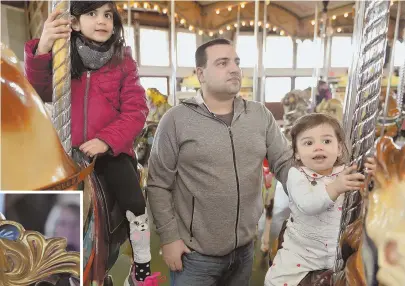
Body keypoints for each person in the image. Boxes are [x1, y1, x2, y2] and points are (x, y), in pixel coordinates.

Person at [24, 2, 157, 285]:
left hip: (110, 151)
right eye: (92, 14)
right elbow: (37, 91)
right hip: (67, 150)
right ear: (73, 23)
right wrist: (44, 47)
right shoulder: (63, 56)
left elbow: (136, 110)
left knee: (134, 200)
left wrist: (106, 141)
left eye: (108, 15)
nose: (102, 21)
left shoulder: (123, 62)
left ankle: (141, 264)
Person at [147, 38, 293, 286]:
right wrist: (170, 238)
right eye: (223, 63)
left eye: (236, 62)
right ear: (201, 74)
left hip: (245, 249)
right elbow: (158, 184)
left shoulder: (259, 115)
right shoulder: (176, 120)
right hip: (195, 255)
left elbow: (285, 163)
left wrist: (319, 184)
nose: (234, 69)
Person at [264, 113, 376, 286]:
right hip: (302, 253)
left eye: (326, 141)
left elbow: (370, 197)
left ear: (339, 149)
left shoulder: (346, 171)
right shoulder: (297, 175)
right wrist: (336, 187)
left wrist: (374, 174)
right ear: (297, 153)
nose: (318, 147)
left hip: (341, 251)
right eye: (308, 143)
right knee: (275, 281)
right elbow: (309, 204)